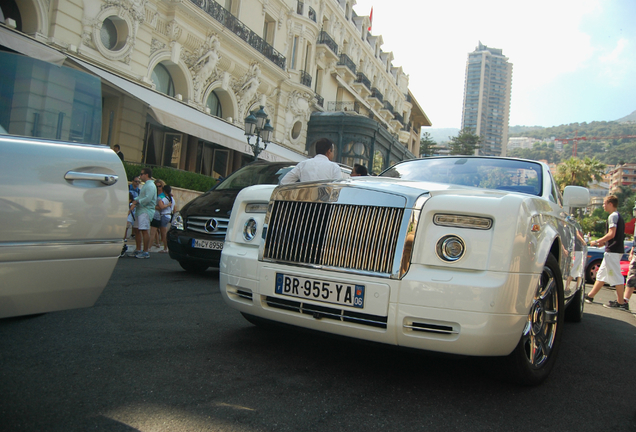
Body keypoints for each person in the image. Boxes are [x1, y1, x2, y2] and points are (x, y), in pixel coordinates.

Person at [584, 195, 628, 310]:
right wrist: (603, 243)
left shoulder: (612, 216)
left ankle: (621, 303)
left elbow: (611, 234)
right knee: (601, 274)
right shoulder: (618, 216)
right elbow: (615, 236)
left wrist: (597, 241)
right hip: (614, 249)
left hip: (613, 251)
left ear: (610, 204)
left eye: (604, 203)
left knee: (617, 277)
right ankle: (590, 296)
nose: (603, 206)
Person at [130, 168, 156, 259]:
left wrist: (137, 202)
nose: (140, 176)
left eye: (142, 174)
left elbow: (148, 199)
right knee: (136, 229)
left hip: (145, 210)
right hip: (140, 210)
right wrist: (134, 201)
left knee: (144, 230)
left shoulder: (150, 186)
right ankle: (138, 249)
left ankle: (145, 251)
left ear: (147, 175)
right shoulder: (145, 185)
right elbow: (141, 196)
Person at [156, 185, 175, 253]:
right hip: (169, 215)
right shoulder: (173, 199)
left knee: (163, 234)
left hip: (164, 216)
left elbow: (161, 206)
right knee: (165, 233)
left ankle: (165, 248)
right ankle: (166, 247)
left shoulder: (165, 198)